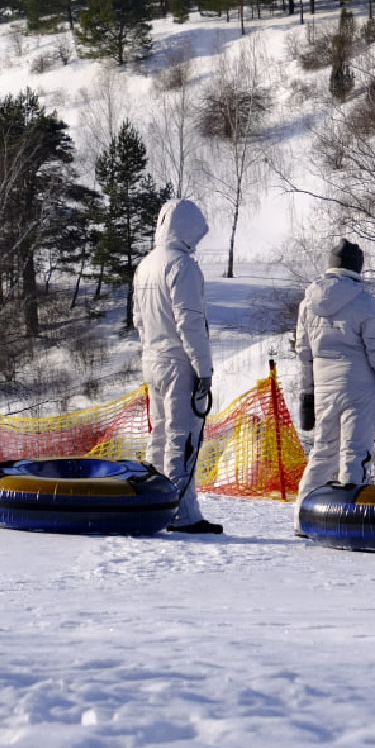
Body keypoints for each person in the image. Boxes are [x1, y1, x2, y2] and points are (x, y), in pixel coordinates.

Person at [294, 239, 375, 527]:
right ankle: (351, 521)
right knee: (354, 454)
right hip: (359, 389)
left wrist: (306, 397)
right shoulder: (364, 302)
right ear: (357, 266)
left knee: (322, 453)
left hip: (324, 388)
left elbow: (304, 353)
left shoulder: (308, 303)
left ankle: (303, 516)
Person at [134, 198, 222, 535]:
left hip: (152, 360)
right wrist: (204, 369)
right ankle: (181, 513)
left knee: (158, 436)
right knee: (181, 439)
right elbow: (190, 323)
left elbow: (138, 320)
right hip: (179, 363)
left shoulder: (146, 264)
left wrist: (151, 350)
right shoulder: (182, 266)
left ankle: (154, 505)